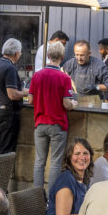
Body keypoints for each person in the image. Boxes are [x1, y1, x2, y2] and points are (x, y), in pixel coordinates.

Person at [30, 41, 78, 190]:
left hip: (40, 123)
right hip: (57, 124)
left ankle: (37, 197)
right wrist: (74, 104)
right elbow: (66, 104)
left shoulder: (37, 76)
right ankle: (52, 197)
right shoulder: (64, 78)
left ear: (48, 56)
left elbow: (30, 100)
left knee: (39, 162)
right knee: (55, 163)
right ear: (62, 57)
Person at [44, 137, 93, 215]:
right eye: (77, 154)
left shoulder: (85, 179)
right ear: (69, 157)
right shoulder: (66, 180)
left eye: (85, 153)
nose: (82, 157)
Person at [0, 38, 25, 155]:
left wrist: (1, 96)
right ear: (16, 53)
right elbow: (12, 95)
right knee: (6, 151)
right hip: (8, 113)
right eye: (20, 52)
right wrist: (26, 92)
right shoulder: (10, 68)